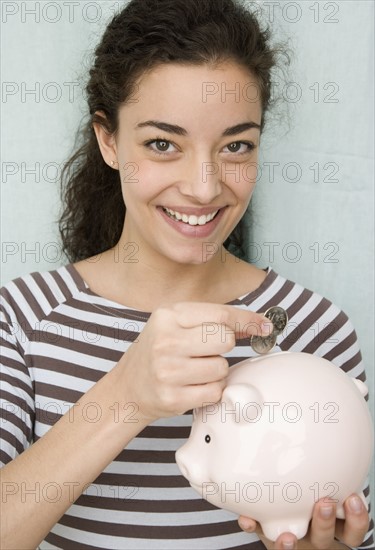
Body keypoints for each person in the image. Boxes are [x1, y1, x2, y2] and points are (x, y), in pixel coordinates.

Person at [0, 0, 373, 548]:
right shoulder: (23, 318)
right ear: (108, 141)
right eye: (161, 144)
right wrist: (127, 395)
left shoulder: (316, 331)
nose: (204, 187)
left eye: (236, 146)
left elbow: (344, 526)